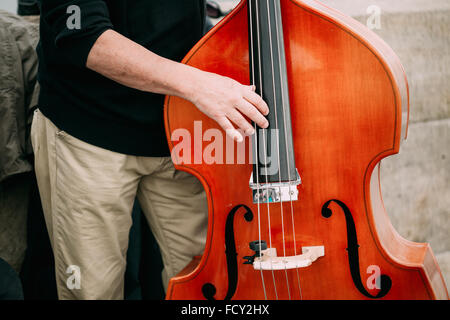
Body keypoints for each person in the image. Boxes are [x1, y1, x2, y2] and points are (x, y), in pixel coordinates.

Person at [32, 0, 269, 300]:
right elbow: (84, 37)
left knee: (209, 283)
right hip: (89, 129)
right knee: (93, 290)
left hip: (183, 129)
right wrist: (200, 86)